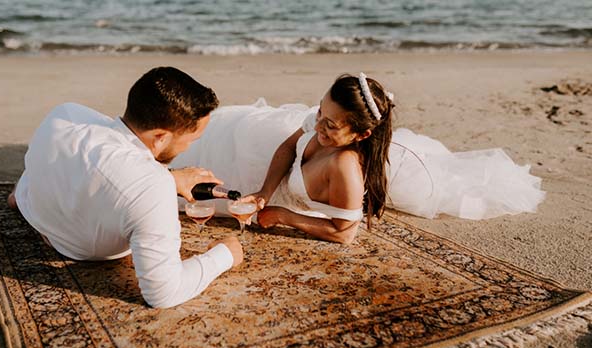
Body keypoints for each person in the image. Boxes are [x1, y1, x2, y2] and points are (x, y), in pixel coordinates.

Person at [171, 73, 545, 243]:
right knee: (219, 133)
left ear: (360, 135)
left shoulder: (345, 168)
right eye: (320, 112)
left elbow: (344, 233)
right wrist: (266, 194)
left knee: (196, 196)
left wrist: (285, 216)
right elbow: (287, 148)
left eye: (331, 125)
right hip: (271, 167)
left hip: (306, 186)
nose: (319, 125)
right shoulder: (317, 123)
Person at [8, 66, 243, 308]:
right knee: (136, 197)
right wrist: (224, 255)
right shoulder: (153, 187)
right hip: (78, 247)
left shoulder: (66, 113)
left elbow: (108, 160)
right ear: (161, 136)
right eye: (191, 139)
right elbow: (163, 294)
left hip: (38, 208)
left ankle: (20, 197)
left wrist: (167, 177)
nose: (188, 147)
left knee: (53, 172)